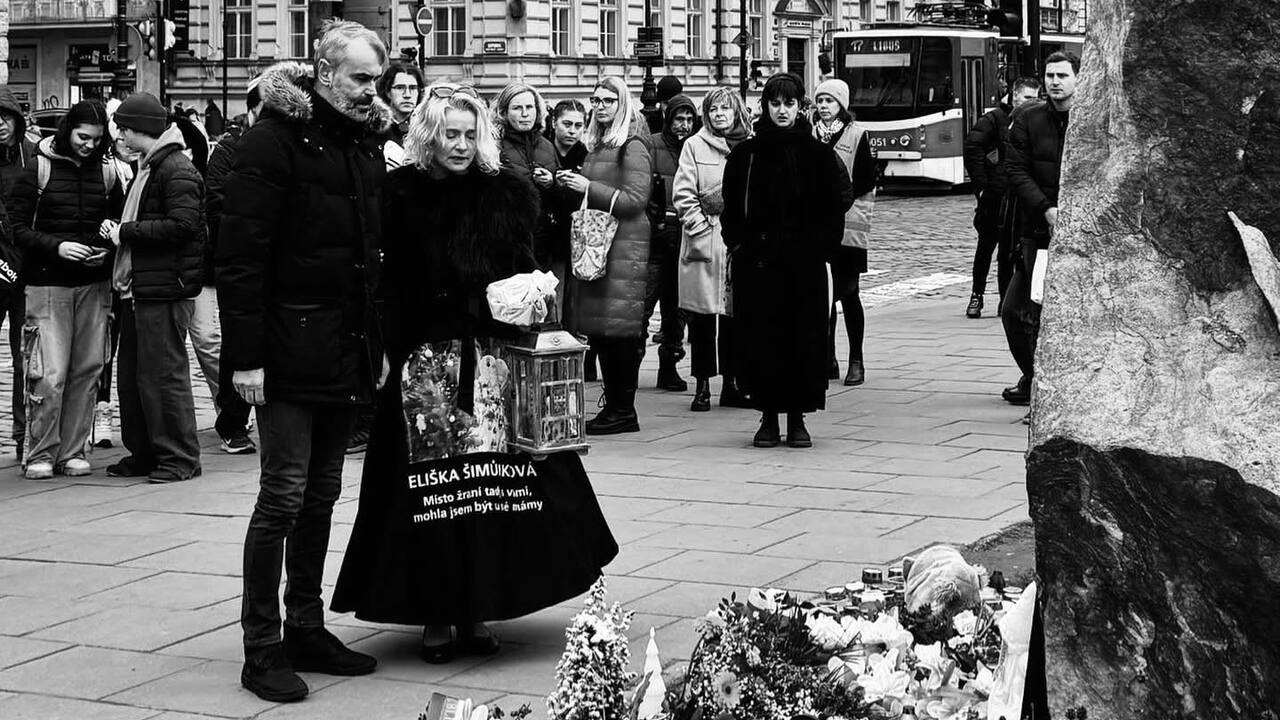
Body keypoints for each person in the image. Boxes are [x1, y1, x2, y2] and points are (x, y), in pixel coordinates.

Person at [330, 82, 617, 664]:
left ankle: (480, 606)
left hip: (491, 356)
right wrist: (384, 344)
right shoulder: (398, 193)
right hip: (423, 360)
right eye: (449, 134)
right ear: (428, 136)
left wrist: (530, 293)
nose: (460, 145)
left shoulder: (505, 194)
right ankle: (436, 613)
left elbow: (524, 269)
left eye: (469, 134)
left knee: (488, 490)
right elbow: (380, 282)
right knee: (431, 495)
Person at [216, 20, 389, 703]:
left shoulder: (364, 141)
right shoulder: (271, 141)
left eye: (377, 78)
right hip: (285, 348)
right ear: (323, 72)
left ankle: (306, 626)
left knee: (322, 493)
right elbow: (240, 256)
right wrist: (246, 358)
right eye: (359, 78)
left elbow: (373, 257)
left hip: (343, 346)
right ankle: (261, 649)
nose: (371, 91)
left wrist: (377, 345)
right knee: (282, 496)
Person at [720, 73, 852, 448]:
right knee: (762, 338)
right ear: (766, 107)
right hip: (758, 264)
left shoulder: (816, 155)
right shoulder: (747, 154)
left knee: (802, 339)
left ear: (800, 107)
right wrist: (739, 245)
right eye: (775, 103)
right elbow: (732, 208)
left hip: (804, 264)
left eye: (789, 104)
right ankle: (767, 416)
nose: (782, 110)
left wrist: (823, 248)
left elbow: (835, 205)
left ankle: (797, 417)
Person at [8, 100, 121, 478]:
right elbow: (18, 230)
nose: (89, 145)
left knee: (88, 369)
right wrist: (57, 246)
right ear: (68, 131)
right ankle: (40, 452)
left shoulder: (107, 172)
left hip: (93, 281)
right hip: (46, 282)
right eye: (82, 137)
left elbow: (115, 223)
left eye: (96, 139)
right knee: (49, 372)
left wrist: (103, 251)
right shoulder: (38, 169)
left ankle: (72, 449)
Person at [103, 93, 205, 483]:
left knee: (163, 376)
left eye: (124, 129)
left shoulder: (174, 168)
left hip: (163, 288)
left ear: (138, 129)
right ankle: (144, 453)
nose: (121, 136)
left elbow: (183, 226)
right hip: (141, 287)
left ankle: (179, 457)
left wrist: (125, 232)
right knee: (134, 377)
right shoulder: (152, 165)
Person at [559, 76, 654, 435]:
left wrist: (589, 188)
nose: (600, 106)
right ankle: (614, 406)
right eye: (596, 100)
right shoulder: (597, 147)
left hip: (623, 247)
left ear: (622, 104)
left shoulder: (631, 146)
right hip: (599, 247)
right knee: (601, 331)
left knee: (619, 333)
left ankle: (622, 409)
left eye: (608, 101)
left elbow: (634, 200)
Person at [1003, 52, 1079, 420]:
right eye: (1050, 75)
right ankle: (1037, 382)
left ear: (1078, 78)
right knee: (1016, 312)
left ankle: (1056, 397)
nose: (1055, 82)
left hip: (1082, 235)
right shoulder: (1029, 118)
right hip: (1038, 232)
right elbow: (1015, 170)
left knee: (1062, 319)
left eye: (1063, 75)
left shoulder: (1091, 117)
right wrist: (1047, 209)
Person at [672, 87, 752, 412]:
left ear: (736, 112)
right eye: (714, 109)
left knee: (736, 317)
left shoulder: (749, 145)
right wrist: (701, 227)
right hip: (707, 239)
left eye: (725, 109)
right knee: (703, 318)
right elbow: (683, 193)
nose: (719, 114)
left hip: (738, 242)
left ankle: (732, 383)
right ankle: (702, 385)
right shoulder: (694, 145)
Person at [202, 79, 263, 454]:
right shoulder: (229, 148)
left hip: (275, 261)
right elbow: (217, 205)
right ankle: (233, 421)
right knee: (234, 341)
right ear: (254, 109)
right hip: (237, 260)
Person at [812, 79, 876, 387]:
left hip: (849, 230)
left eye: (830, 101)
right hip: (818, 229)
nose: (823, 106)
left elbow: (865, 179)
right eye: (820, 100)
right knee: (823, 296)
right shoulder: (810, 135)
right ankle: (828, 358)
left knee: (850, 294)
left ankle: (856, 360)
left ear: (842, 105)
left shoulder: (857, 134)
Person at [963, 76, 1042, 320]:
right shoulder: (994, 119)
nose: (1033, 102)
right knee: (985, 249)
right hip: (994, 198)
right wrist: (983, 187)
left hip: (1017, 199)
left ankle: (1005, 300)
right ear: (1015, 95)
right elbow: (973, 147)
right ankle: (976, 296)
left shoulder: (1031, 120)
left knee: (1009, 252)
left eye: (1036, 97)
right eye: (1028, 97)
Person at [645, 93, 696, 393]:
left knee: (677, 309)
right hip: (657, 234)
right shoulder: (652, 144)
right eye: (679, 118)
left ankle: (670, 365)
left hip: (685, 235)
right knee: (646, 301)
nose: (684, 125)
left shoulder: (694, 146)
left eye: (689, 119)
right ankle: (632, 364)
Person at [1, 87, 37, 461]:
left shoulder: (32, 156)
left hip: (25, 268)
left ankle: (23, 432)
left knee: (26, 356)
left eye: (5, 117)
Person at [492, 82, 561, 273]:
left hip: (543, 243)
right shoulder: (493, 146)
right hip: (506, 244)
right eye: (517, 108)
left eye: (530, 107)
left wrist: (552, 182)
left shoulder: (547, 145)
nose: (525, 113)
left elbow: (561, 197)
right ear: (504, 113)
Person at [375, 61, 424, 167]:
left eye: (413, 88)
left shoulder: (426, 129)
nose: (407, 95)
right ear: (388, 92)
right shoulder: (376, 128)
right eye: (400, 88)